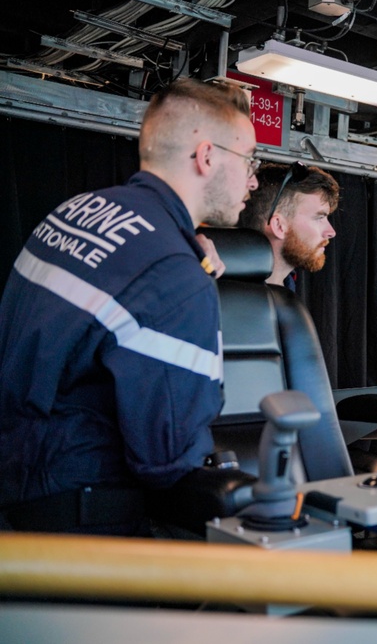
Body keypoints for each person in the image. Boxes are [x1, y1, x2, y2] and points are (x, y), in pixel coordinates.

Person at [0, 78, 259, 535]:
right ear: (207, 156)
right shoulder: (174, 278)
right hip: (79, 519)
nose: (254, 180)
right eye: (249, 160)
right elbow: (167, 458)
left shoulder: (73, 212)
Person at [238, 162, 340, 288]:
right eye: (319, 217)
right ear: (279, 226)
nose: (331, 232)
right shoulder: (229, 297)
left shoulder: (288, 289)